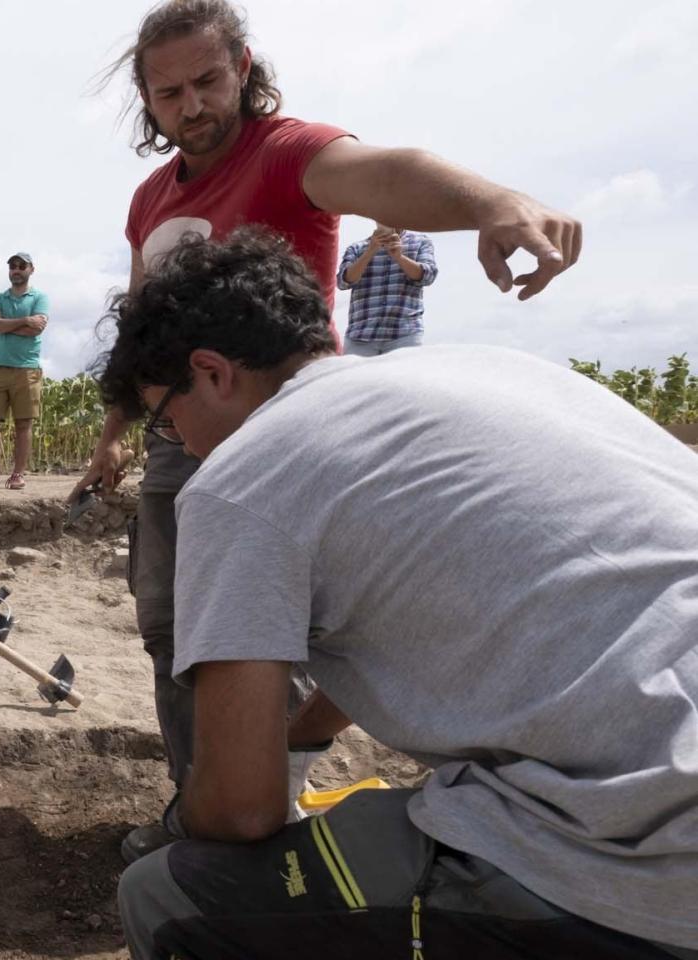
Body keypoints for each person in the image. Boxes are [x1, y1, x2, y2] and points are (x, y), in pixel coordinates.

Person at [79, 0, 582, 863]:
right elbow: (144, 327)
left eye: (207, 80)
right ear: (147, 102)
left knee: (273, 637)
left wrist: (494, 201)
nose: (192, 105)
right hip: (179, 439)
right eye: (169, 94)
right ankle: (199, 799)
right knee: (174, 630)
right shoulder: (150, 200)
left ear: (241, 67)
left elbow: (388, 172)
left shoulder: (286, 151)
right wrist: (117, 428)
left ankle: (261, 813)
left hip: (282, 439)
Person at [105, 228, 697, 960]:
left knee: (163, 893)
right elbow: (425, 600)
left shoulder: (242, 477)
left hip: (652, 855)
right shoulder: (484, 373)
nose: (181, 444)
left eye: (166, 419)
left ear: (212, 372)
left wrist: (185, 812)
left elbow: (241, 807)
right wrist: (306, 734)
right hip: (667, 772)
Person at [0, 251, 49, 490]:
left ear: (31, 269)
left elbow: (36, 329)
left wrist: (6, 326)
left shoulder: (40, 298)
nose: (16, 270)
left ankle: (18, 474)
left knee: (23, 424)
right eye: (12, 266)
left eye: (21, 266)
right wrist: (24, 321)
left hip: (27, 369)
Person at [337, 222, 439, 355]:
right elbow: (343, 282)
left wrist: (399, 257)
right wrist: (370, 252)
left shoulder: (421, 242)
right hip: (361, 337)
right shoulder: (357, 248)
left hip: (404, 335)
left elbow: (428, 276)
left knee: (403, 376)